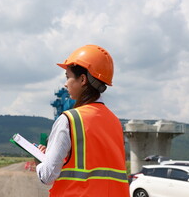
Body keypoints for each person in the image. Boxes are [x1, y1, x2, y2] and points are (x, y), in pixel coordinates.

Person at [36, 44, 129, 197]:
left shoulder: (69, 119)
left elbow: (47, 175)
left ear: (83, 79)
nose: (66, 84)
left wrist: (40, 161)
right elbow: (95, 164)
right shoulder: (115, 122)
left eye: (68, 77)